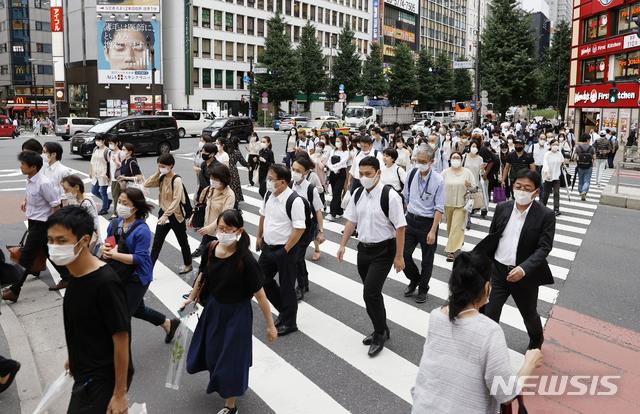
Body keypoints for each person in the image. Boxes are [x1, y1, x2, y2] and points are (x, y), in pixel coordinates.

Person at [411, 251, 544, 414]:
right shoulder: (489, 331)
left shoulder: (436, 316)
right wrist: (530, 362)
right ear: (487, 287)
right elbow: (506, 394)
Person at [185, 209, 277, 414]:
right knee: (212, 352)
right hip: (214, 310)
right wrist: (191, 298)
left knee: (232, 359)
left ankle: (230, 405)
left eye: (228, 229)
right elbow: (202, 276)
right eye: (220, 228)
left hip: (237, 314)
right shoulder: (210, 248)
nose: (223, 232)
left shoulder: (246, 260)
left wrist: (270, 325)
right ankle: (222, 381)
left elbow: (261, 296)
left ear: (239, 231)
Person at [46, 207, 131, 413]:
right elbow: (83, 323)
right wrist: (74, 356)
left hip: (101, 378)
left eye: (61, 240)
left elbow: (121, 339)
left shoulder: (105, 283)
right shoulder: (75, 272)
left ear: (84, 241)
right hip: (84, 370)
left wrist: (119, 394)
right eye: (50, 240)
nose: (53, 247)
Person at [337, 156, 406, 357]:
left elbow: (400, 228)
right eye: (361, 174)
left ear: (378, 173)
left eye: (368, 174)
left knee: (370, 293)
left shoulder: (390, 196)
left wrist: (399, 256)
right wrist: (342, 245)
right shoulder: (358, 193)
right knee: (372, 294)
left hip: (384, 251)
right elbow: (351, 221)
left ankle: (379, 333)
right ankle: (382, 328)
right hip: (364, 250)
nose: (364, 177)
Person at [480, 169, 556, 350]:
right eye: (518, 186)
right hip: (498, 272)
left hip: (524, 275)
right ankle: (489, 347)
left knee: (529, 314)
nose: (521, 191)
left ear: (536, 192)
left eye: (527, 188)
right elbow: (492, 238)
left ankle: (536, 341)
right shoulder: (502, 208)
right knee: (489, 312)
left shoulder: (545, 215)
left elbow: (544, 247)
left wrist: (523, 269)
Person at [103, 188, 181, 343]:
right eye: (119, 202)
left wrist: (114, 254)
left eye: (125, 203)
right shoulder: (114, 224)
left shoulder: (142, 230)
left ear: (135, 207)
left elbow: (139, 259)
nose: (120, 205)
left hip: (137, 277)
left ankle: (125, 362)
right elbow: (109, 243)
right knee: (138, 309)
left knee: (123, 317)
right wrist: (105, 250)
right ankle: (169, 324)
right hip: (119, 273)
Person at [2, 151, 60, 303]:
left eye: (23, 164)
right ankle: (67, 276)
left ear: (33, 167)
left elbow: (55, 204)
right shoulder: (30, 180)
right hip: (33, 220)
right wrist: (25, 202)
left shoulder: (44, 183)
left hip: (42, 224)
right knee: (47, 251)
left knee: (26, 255)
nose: (20, 167)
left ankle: (15, 290)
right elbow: (30, 195)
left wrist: (55, 225)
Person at [256, 164, 306, 336]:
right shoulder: (269, 195)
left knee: (287, 287)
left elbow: (299, 229)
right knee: (261, 280)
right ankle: (284, 312)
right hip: (268, 247)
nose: (267, 181)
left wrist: (284, 250)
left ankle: (290, 322)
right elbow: (263, 215)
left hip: (286, 250)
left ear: (283, 182)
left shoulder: (294, 200)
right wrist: (259, 236)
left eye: (271, 179)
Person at [402, 147, 444, 303]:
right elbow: (405, 196)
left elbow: (439, 207)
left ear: (432, 162)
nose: (420, 164)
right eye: (417, 161)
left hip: (428, 223)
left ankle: (423, 288)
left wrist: (433, 230)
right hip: (410, 220)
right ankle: (415, 279)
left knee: (427, 259)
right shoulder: (411, 174)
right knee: (403, 254)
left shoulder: (438, 180)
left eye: (423, 162)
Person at [144, 154, 193, 274]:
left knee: (182, 241)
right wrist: (157, 172)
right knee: (157, 242)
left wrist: (167, 215)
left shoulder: (177, 180)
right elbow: (147, 184)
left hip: (175, 215)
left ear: (171, 166)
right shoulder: (162, 177)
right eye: (159, 166)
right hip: (164, 213)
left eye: (163, 166)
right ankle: (149, 269)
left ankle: (188, 264)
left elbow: (176, 200)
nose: (161, 168)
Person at [290, 156, 325, 300]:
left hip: (306, 228)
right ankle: (304, 282)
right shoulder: (290, 184)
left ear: (305, 173)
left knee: (297, 257)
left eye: (298, 171)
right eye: (293, 169)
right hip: (292, 226)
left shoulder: (311, 188)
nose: (294, 172)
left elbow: (318, 210)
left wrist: (321, 231)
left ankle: (301, 286)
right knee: (297, 258)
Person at [191, 164, 236, 257]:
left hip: (220, 233)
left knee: (215, 258)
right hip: (208, 230)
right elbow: (202, 205)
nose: (212, 181)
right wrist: (193, 217)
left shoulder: (229, 195)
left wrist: (209, 228)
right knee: (205, 256)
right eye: (211, 178)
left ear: (223, 180)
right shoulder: (210, 189)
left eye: (215, 179)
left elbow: (223, 217)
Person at [441, 152, 476, 262]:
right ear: (450, 159)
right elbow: (438, 187)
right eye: (453, 157)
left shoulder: (467, 172)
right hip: (448, 203)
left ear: (461, 160)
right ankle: (458, 241)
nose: (455, 159)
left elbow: (474, 188)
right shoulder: (445, 172)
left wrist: (469, 186)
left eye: (457, 158)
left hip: (462, 204)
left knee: (456, 226)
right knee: (450, 227)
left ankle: (451, 251)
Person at [327, 134, 349, 220]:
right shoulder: (333, 151)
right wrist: (332, 168)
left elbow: (343, 162)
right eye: (336, 141)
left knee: (336, 193)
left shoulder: (346, 152)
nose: (337, 143)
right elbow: (329, 161)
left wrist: (335, 168)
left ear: (343, 142)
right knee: (335, 192)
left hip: (341, 173)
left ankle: (332, 213)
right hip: (333, 173)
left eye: (339, 141)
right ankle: (339, 211)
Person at [541, 139, 564, 216]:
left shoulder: (559, 154)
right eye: (554, 144)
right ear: (550, 145)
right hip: (548, 177)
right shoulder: (547, 154)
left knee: (556, 193)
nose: (555, 146)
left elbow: (562, 162)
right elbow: (545, 164)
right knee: (546, 194)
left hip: (556, 177)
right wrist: (547, 173)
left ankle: (556, 209)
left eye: (557, 144)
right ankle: (542, 208)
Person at [89, 136, 111, 215]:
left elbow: (110, 164)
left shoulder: (107, 151)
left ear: (103, 140)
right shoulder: (95, 149)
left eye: (99, 140)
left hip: (103, 174)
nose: (97, 142)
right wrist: (90, 172)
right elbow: (92, 161)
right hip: (96, 174)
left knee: (103, 192)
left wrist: (108, 175)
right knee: (94, 191)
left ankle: (104, 209)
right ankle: (107, 201)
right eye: (96, 140)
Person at [225, 137, 249, 207]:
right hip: (233, 171)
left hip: (225, 169)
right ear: (237, 143)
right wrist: (249, 165)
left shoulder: (226, 151)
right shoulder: (236, 152)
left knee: (227, 186)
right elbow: (243, 162)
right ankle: (235, 202)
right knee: (235, 187)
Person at [573, 133, 596, 201]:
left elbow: (574, 157)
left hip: (580, 165)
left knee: (580, 180)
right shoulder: (591, 148)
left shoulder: (578, 147)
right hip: (589, 166)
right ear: (587, 139)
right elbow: (594, 157)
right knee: (587, 180)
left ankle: (581, 191)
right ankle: (584, 191)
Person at [107, 139, 125, 218]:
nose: (110, 145)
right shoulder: (110, 153)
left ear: (117, 143)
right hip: (114, 178)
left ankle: (115, 213)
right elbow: (110, 167)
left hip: (119, 178)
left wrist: (116, 161)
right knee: (116, 195)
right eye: (109, 143)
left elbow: (124, 166)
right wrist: (110, 178)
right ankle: (120, 211)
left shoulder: (121, 153)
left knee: (116, 196)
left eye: (111, 143)